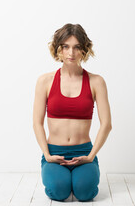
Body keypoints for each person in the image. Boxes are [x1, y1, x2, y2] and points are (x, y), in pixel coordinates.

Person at [32, 23, 112, 202]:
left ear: (84, 50)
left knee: (85, 193)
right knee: (59, 191)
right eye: (65, 46)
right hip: (54, 153)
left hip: (83, 152)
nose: (71, 53)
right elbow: (37, 122)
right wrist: (47, 154)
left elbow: (107, 124)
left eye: (77, 47)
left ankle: (82, 176)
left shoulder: (96, 82)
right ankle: (59, 176)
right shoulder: (45, 81)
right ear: (58, 49)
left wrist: (91, 156)